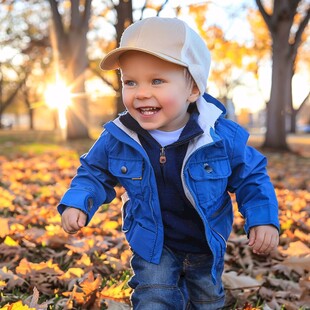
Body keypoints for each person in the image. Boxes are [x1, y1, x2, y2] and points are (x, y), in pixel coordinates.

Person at [58, 17, 280, 309]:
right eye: (130, 82)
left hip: (204, 243)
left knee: (206, 300)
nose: (141, 92)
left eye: (157, 80)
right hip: (153, 243)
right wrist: (78, 201)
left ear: (193, 89)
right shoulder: (120, 136)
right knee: (155, 295)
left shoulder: (220, 137)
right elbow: (94, 171)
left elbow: (252, 177)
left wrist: (262, 218)